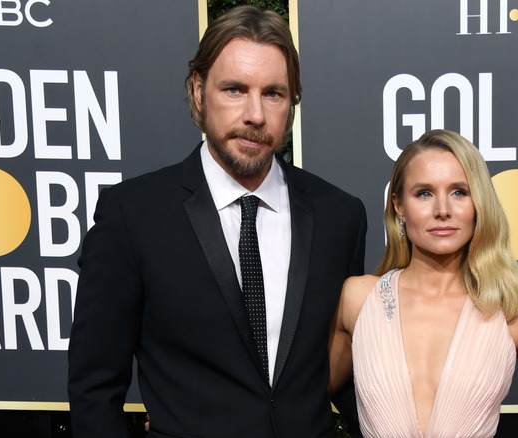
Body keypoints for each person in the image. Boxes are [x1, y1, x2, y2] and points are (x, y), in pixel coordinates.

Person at [68, 6, 367, 437]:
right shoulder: (133, 215)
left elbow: (349, 373)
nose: (255, 115)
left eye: (273, 94)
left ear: (292, 103)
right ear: (198, 91)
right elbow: (94, 389)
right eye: (234, 90)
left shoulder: (340, 216)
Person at [329, 129, 518, 437]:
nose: (442, 210)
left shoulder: (507, 313)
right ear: (398, 206)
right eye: (424, 193)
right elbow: (305, 398)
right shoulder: (358, 300)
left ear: (479, 203)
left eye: (459, 192)